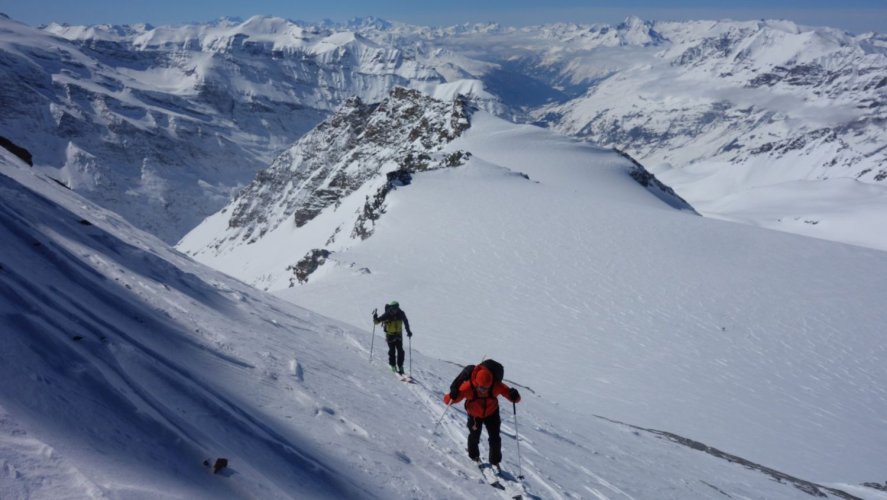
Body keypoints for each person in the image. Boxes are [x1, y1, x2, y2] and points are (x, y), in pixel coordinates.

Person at [443, 364, 521, 468]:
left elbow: (515, 399)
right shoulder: (468, 387)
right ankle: (474, 455)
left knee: (495, 438)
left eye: (486, 388)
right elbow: (447, 400)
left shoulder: (496, 385)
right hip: (475, 415)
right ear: (477, 383)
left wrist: (514, 395)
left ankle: (495, 461)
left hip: (492, 413)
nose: (483, 390)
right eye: (481, 388)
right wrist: (452, 395)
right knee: (474, 437)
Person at [373, 301, 412, 375]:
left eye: (396, 308)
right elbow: (376, 322)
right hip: (390, 335)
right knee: (392, 351)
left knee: (400, 351)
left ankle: (400, 366)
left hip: (399, 335)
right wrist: (375, 318)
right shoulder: (387, 314)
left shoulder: (401, 313)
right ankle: (393, 365)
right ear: (391, 308)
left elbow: (406, 322)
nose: (395, 310)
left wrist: (408, 331)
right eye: (393, 308)